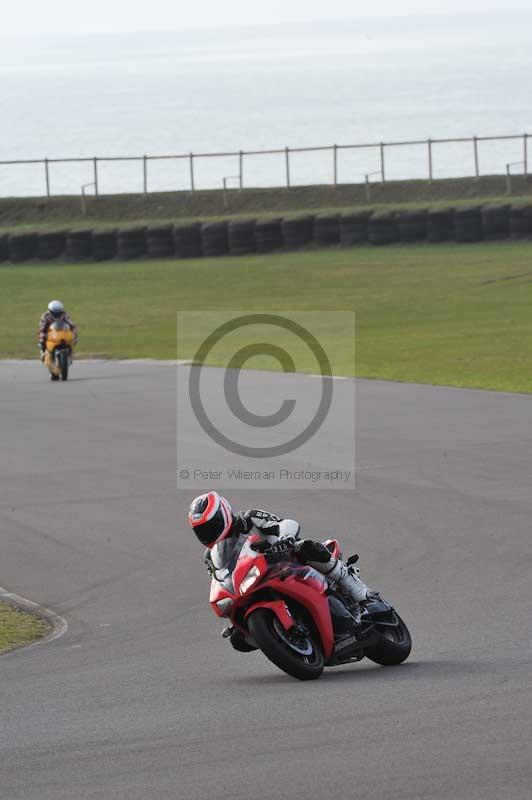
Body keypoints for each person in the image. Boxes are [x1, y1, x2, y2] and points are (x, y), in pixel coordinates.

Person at [188, 491, 370, 650]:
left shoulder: (250, 518)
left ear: (224, 512)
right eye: (202, 531)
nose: (208, 532)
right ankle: (278, 637)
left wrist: (285, 538)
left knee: (306, 547)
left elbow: (286, 523)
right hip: (255, 579)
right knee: (238, 640)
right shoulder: (210, 556)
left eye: (212, 525)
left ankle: (356, 589)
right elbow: (221, 578)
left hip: (285, 561)